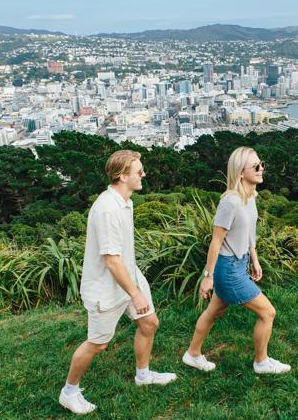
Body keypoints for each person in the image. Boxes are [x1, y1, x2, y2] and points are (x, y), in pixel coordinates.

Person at [60, 150, 177, 415]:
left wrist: (135, 287)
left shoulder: (125, 200)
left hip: (128, 275)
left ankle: (143, 375)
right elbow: (111, 261)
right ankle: (69, 392)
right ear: (123, 176)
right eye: (139, 171)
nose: (143, 174)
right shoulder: (107, 209)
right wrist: (135, 294)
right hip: (106, 287)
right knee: (98, 344)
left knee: (149, 323)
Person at [182, 146, 291, 375]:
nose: (261, 169)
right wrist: (207, 277)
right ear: (240, 172)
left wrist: (255, 259)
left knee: (213, 313)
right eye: (255, 166)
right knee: (267, 313)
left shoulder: (250, 196)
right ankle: (261, 362)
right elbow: (215, 242)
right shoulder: (230, 202)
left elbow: (249, 233)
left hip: (239, 264)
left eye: (261, 164)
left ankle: (192, 354)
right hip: (228, 269)